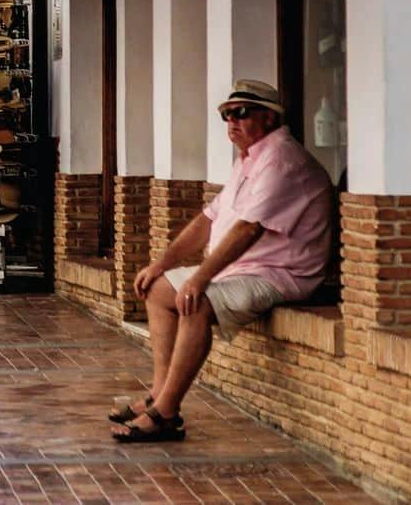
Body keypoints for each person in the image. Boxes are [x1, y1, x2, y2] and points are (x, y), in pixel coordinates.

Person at [114, 79, 333, 444]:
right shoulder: (250, 158)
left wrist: (199, 279)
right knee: (157, 289)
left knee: (195, 302)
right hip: (244, 269)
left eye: (241, 113)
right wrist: (160, 264)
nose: (232, 121)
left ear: (268, 117)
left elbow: (248, 230)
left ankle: (166, 414)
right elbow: (208, 219)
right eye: (226, 115)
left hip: (281, 274)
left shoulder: (282, 160)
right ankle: (158, 394)